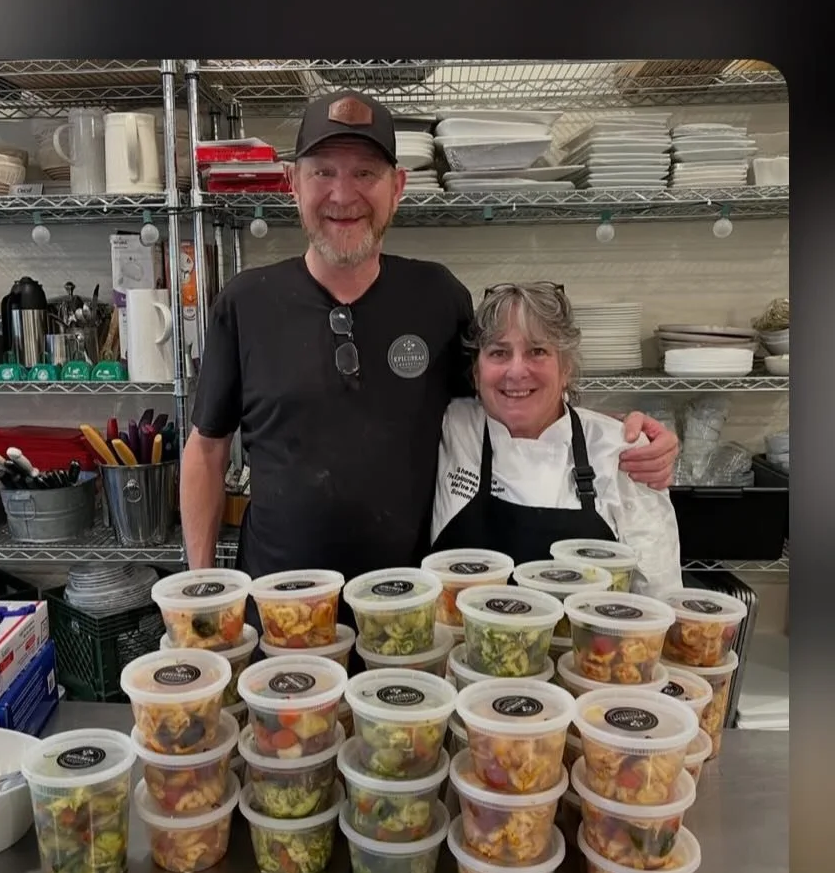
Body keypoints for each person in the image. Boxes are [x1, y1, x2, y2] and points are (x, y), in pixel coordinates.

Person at [182, 88, 678, 578]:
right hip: (279, 606)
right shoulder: (246, 302)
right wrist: (198, 590)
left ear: (397, 186)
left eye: (364, 173)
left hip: (411, 614)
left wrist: (618, 435)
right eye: (323, 172)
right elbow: (206, 448)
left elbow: (509, 398)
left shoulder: (437, 296)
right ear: (293, 182)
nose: (342, 194)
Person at [431, 282, 682, 596]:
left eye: (537, 351)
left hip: (592, 645)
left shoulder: (619, 450)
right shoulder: (448, 427)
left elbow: (660, 594)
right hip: (460, 644)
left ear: (566, 369)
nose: (516, 370)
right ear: (477, 373)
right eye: (498, 352)